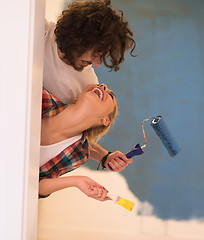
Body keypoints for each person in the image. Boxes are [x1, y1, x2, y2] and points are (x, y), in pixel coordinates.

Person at [44, 0, 136, 172]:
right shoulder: (39, 32)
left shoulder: (88, 85)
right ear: (79, 38)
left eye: (102, 56)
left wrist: (104, 156)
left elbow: (70, 132)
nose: (96, 63)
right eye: (96, 54)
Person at [39, 83, 120, 201]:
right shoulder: (43, 98)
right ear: (76, 99)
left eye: (111, 96)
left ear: (105, 120)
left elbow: (36, 187)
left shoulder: (78, 155)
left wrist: (77, 181)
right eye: (100, 85)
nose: (103, 86)